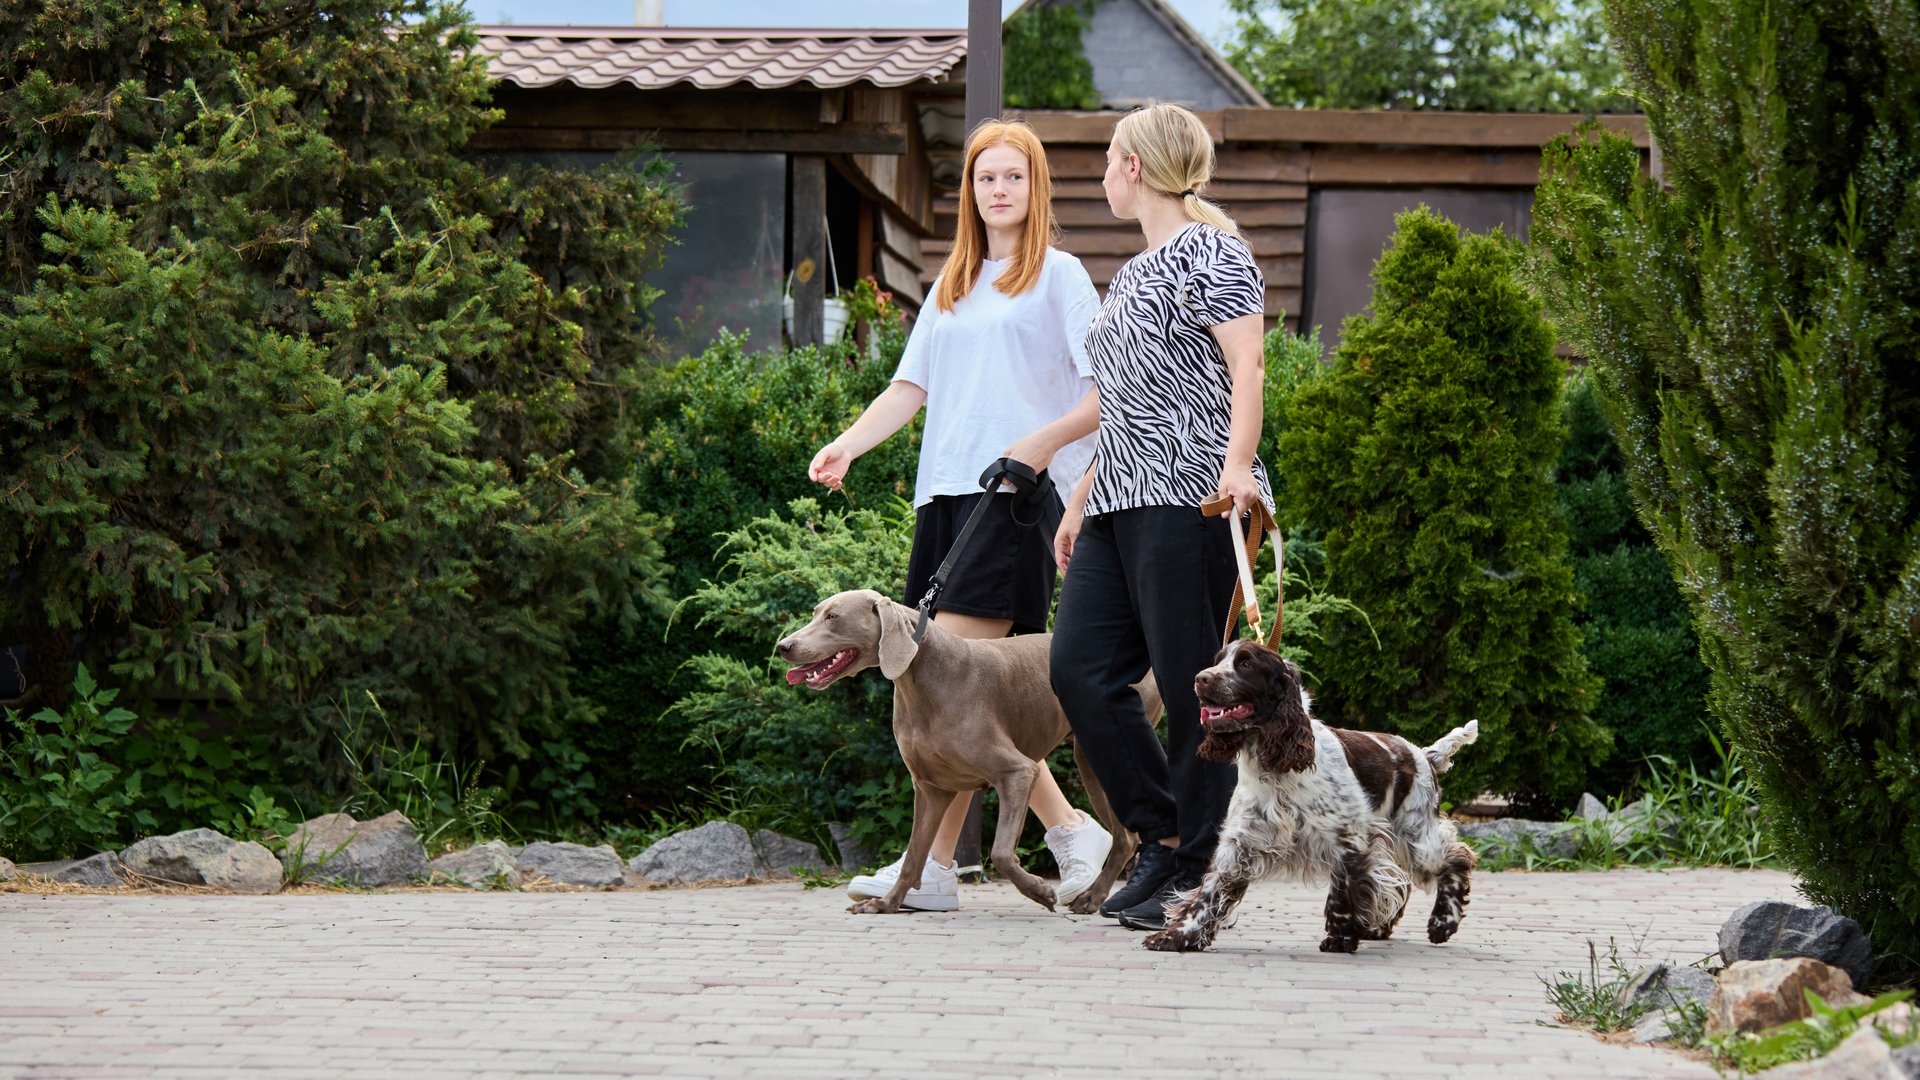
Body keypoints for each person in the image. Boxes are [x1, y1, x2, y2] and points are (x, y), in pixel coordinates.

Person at [807, 118, 1113, 912]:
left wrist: (1045, 455)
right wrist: (848, 444)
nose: (998, 190)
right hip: (943, 496)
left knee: (955, 693)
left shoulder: (1062, 278)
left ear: (1034, 187)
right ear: (970, 193)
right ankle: (1062, 839)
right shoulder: (952, 283)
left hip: (1013, 501)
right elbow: (909, 391)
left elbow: (1101, 390)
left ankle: (953, 868)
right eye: (985, 179)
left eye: (1013, 177)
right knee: (953, 698)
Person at [1048, 102, 1271, 931]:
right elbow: (1130, 401)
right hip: (1117, 500)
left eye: (1109, 158)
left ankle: (1200, 867)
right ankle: (1162, 832)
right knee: (1078, 669)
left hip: (1191, 494)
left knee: (1192, 690)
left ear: (1134, 168)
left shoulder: (1212, 249)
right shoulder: (1136, 269)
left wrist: (1238, 467)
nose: (1104, 173)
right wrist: (1079, 497)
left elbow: (1246, 362)